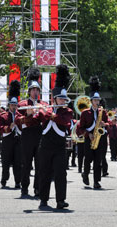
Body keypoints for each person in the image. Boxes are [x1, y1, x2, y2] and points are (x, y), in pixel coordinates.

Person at [37, 64, 73, 209]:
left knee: (60, 173)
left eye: (64, 99)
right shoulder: (44, 109)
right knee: (44, 172)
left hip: (59, 146)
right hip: (45, 146)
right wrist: (27, 115)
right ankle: (43, 199)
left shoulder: (67, 111)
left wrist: (49, 113)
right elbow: (35, 119)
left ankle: (60, 200)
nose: (63, 101)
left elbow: (64, 121)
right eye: (61, 99)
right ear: (55, 99)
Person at [15, 67, 49, 197]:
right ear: (29, 91)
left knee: (40, 164)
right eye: (33, 90)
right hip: (27, 135)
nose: (35, 92)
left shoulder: (43, 103)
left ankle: (37, 188)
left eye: (37, 90)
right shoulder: (23, 104)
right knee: (26, 163)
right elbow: (18, 120)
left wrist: (44, 111)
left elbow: (47, 118)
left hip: (40, 134)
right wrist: (28, 115)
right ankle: (24, 188)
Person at [76, 76, 111, 189]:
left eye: (98, 100)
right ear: (91, 101)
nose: (97, 102)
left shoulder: (103, 112)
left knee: (98, 161)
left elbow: (108, 123)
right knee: (88, 159)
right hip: (89, 138)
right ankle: (85, 174)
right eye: (95, 100)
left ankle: (96, 181)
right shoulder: (85, 113)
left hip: (100, 139)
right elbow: (79, 128)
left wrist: (104, 124)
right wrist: (88, 134)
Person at [0, 80, 22, 188]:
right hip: (7, 141)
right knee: (6, 162)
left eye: (15, 105)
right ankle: (4, 180)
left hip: (17, 141)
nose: (14, 107)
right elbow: (0, 128)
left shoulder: (20, 115)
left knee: (18, 162)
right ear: (9, 105)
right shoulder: (3, 116)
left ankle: (18, 181)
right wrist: (9, 127)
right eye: (12, 105)